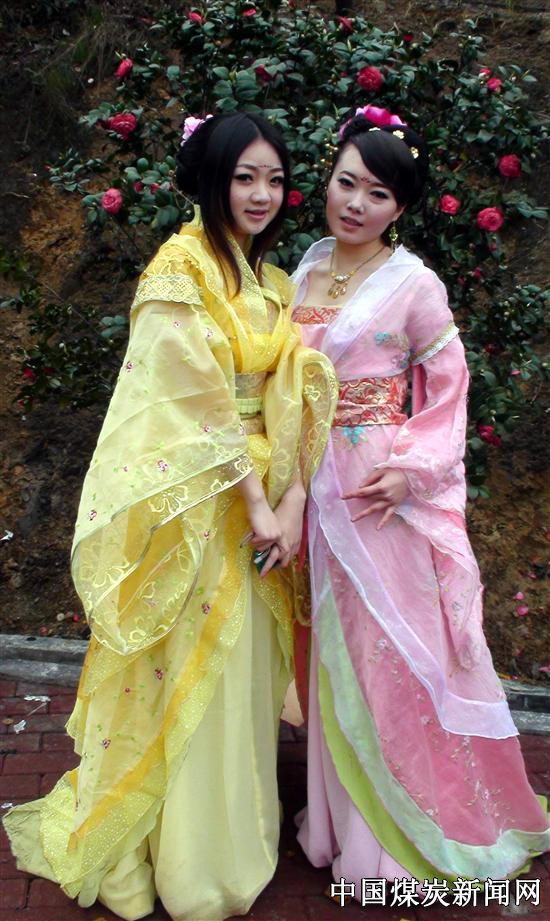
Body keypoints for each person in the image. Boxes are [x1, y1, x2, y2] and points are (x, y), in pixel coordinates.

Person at [3, 112, 336, 921]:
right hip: (201, 508)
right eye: (244, 176)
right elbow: (190, 401)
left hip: (263, 502)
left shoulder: (271, 280)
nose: (261, 194)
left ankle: (229, 837)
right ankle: (182, 854)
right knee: (192, 671)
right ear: (210, 178)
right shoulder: (177, 272)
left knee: (240, 674)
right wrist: (255, 501)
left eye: (275, 179)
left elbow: (293, 390)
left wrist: (292, 496)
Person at [291, 113, 550, 897]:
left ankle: (399, 835)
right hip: (308, 487)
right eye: (346, 183)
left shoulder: (415, 284)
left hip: (379, 491)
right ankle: (339, 821)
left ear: (400, 207)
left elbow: (450, 389)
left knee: (392, 651)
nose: (356, 203)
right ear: (327, 182)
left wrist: (411, 471)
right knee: (331, 648)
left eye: (378, 193)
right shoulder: (305, 270)